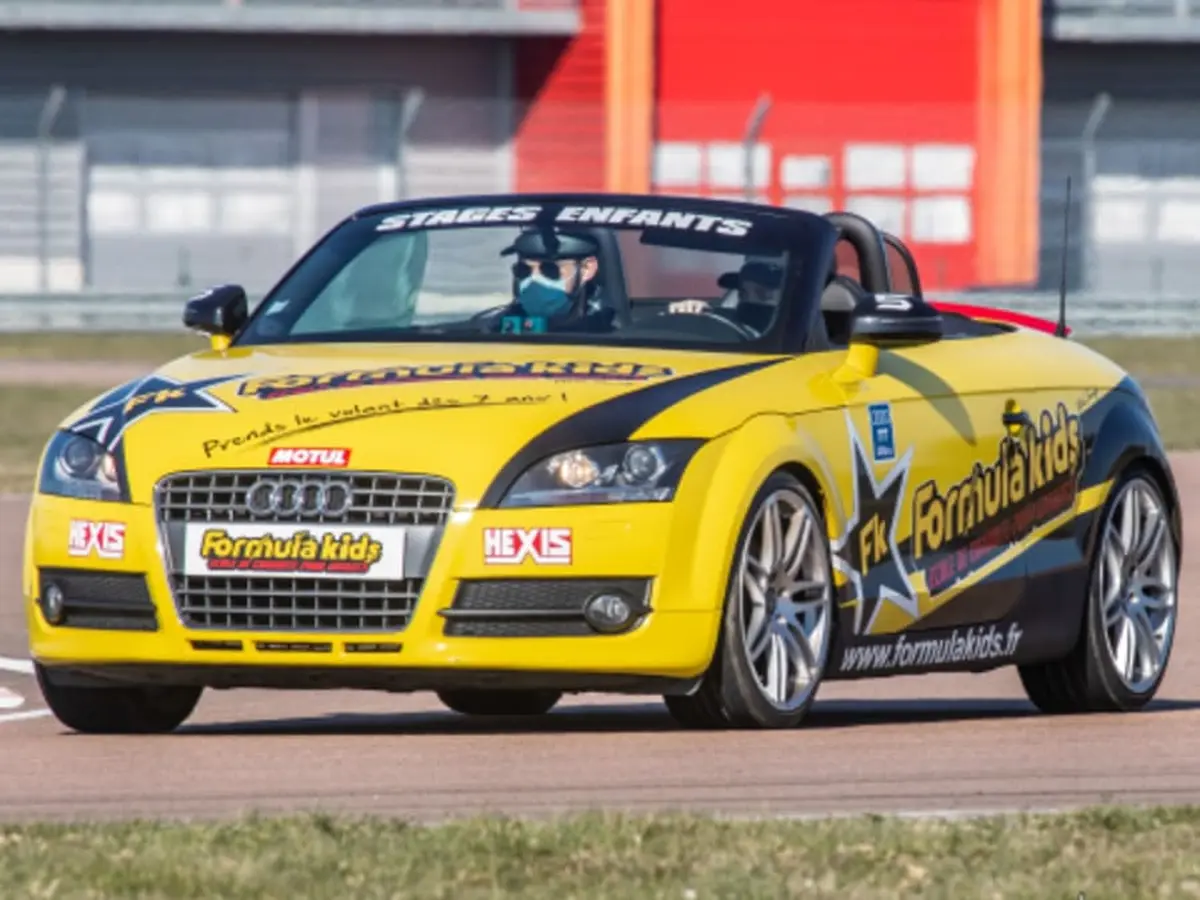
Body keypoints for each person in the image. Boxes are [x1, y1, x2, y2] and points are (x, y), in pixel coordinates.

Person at [478, 227, 618, 334]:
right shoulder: (497, 327)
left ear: (587, 269)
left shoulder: (610, 328)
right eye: (524, 270)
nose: (534, 280)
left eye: (550, 270)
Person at [666, 257, 785, 333]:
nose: (751, 300)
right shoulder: (725, 321)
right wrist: (690, 313)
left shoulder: (796, 335)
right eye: (743, 294)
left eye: (764, 294)